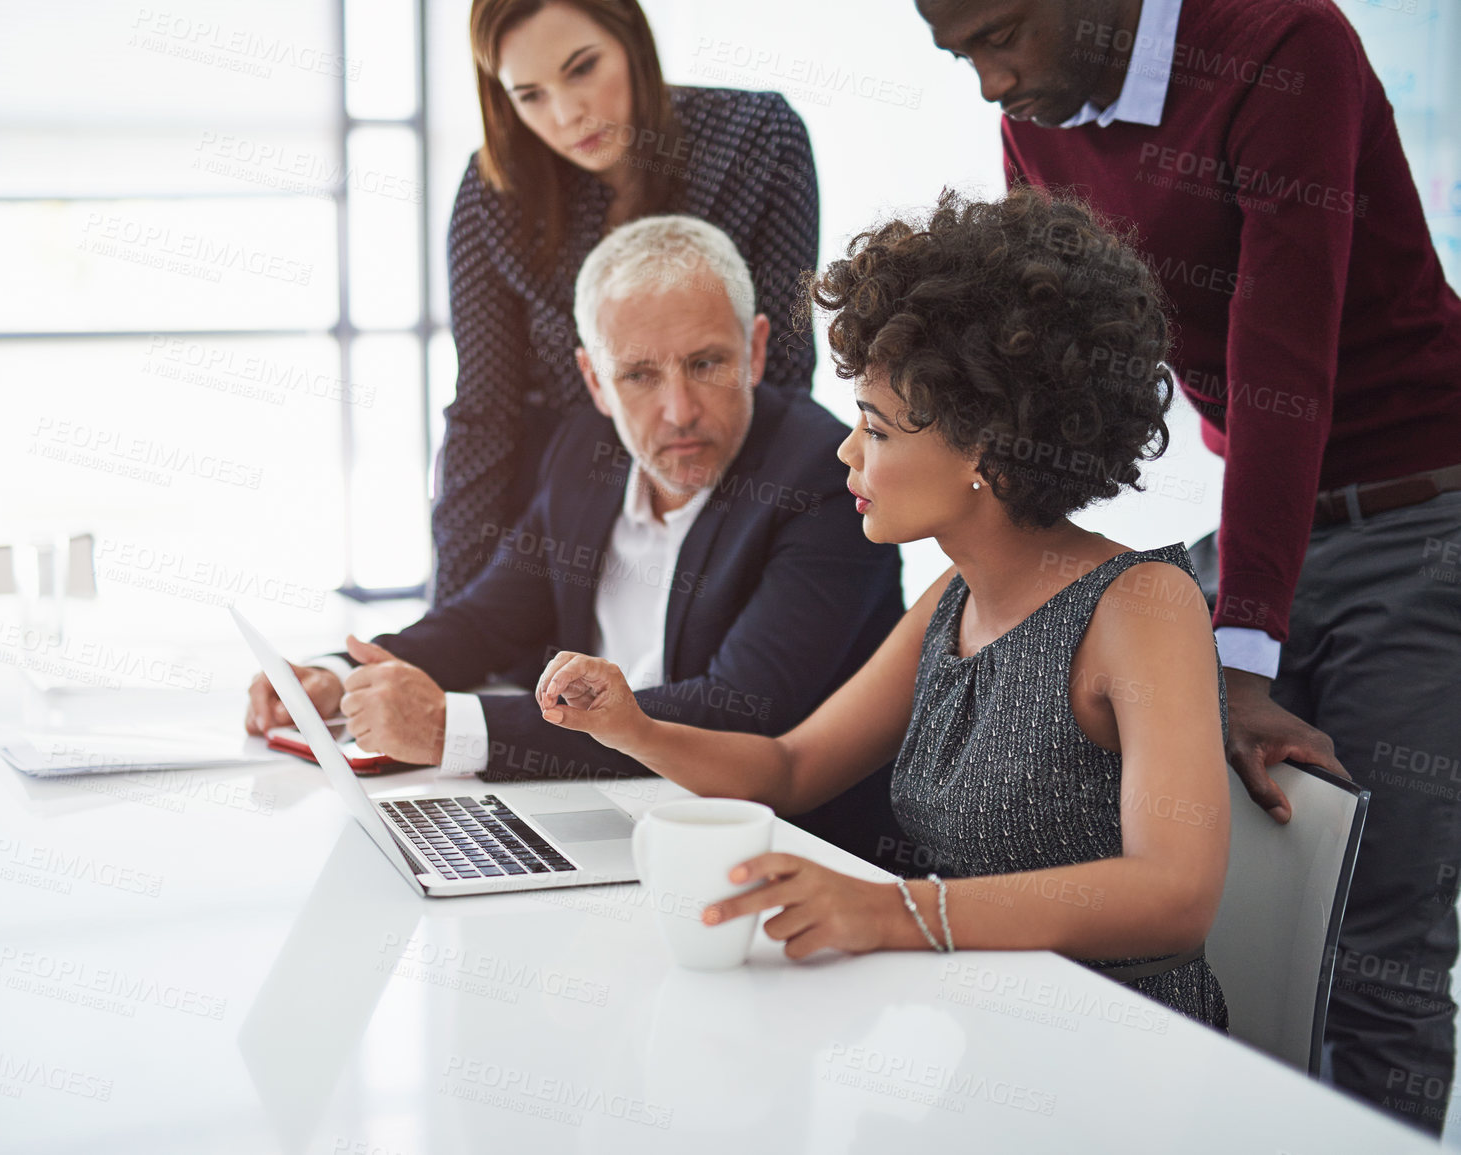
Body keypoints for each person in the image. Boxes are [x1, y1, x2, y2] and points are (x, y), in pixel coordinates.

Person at [915, 0, 1461, 1130]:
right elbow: (1044, 360)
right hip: (1267, 516)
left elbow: (1284, 369)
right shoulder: (1044, 102)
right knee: (1177, 886)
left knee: (1380, 952)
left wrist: (1241, 655)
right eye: (959, 51)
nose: (988, 82)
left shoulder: (1283, 45)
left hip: (1422, 508)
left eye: (999, 37)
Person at [532, 188, 1232, 1028]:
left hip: (1117, 1048)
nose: (844, 449)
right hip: (972, 1027)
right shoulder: (953, 597)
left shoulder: (1142, 606)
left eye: (877, 428)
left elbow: (1175, 893)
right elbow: (788, 768)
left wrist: (894, 910)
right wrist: (627, 725)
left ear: (986, 443)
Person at [249, 215, 903, 856]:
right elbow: (487, 619)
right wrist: (335, 678)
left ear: (755, 351)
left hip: (778, 850)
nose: (678, 409)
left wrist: (456, 727)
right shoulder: (589, 450)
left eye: (706, 363)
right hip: (606, 806)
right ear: (594, 379)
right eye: (638, 375)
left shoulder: (822, 474)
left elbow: (741, 710)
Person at [435, 0, 820, 604]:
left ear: (632, 42)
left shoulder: (757, 138)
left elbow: (785, 371)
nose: (567, 114)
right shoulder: (495, 192)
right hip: (551, 514)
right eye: (530, 95)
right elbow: (484, 412)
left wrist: (761, 549)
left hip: (720, 483)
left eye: (583, 68)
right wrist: (450, 620)